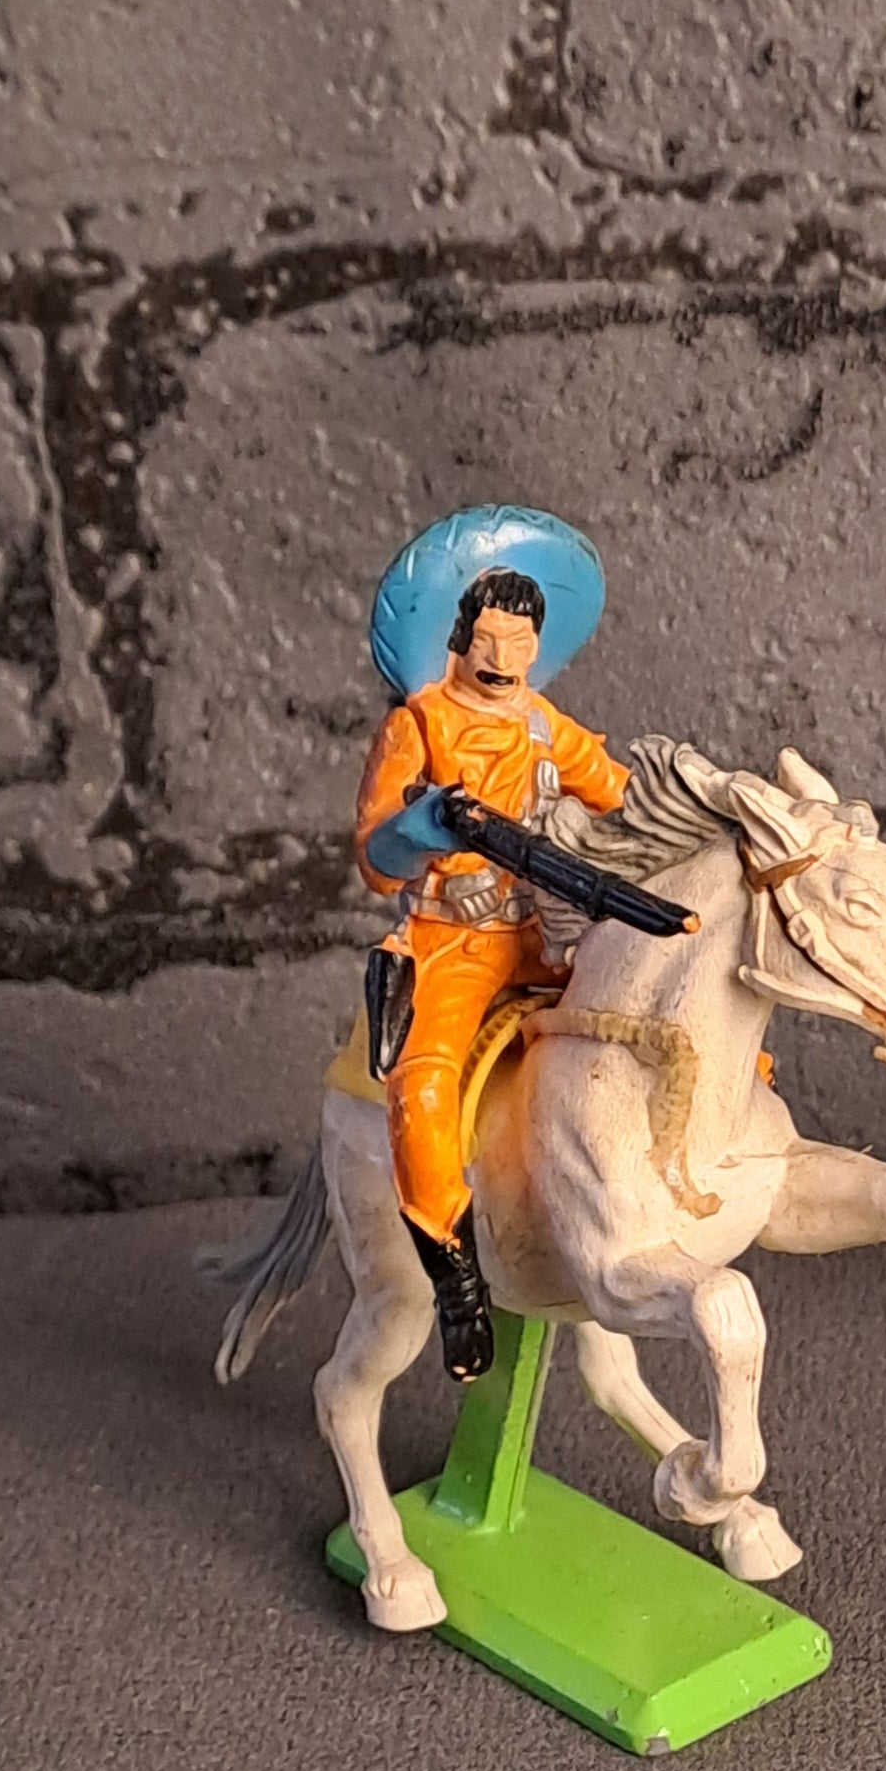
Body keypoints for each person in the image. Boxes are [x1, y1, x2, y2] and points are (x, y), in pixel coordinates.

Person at [356, 563, 629, 1380]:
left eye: (518, 641)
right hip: (452, 940)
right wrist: (427, 824)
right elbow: (376, 858)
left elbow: (620, 795)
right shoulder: (420, 725)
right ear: (460, 639)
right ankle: (458, 1280)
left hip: (541, 932)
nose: (502, 657)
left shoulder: (546, 726)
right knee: (424, 1085)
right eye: (487, 639)